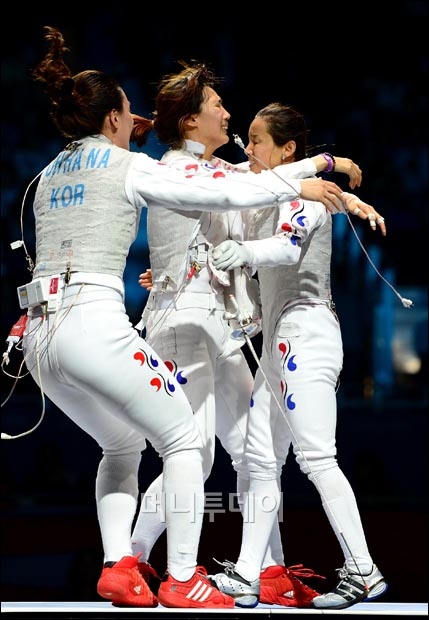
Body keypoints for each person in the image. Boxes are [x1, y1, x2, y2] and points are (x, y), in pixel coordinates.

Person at [20, 27, 347, 610]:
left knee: (247, 451)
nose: (229, 114)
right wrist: (317, 168)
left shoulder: (49, 175)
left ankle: (259, 568)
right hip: (169, 322)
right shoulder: (159, 167)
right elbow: (236, 190)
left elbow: (241, 188)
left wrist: (322, 179)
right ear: (116, 118)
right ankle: (164, 568)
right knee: (188, 447)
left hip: (59, 329)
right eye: (218, 105)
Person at [129, 62, 385, 608]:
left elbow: (277, 225)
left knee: (294, 457)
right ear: (192, 120)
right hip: (205, 325)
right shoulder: (187, 169)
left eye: (256, 139)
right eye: (220, 109)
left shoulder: (265, 186)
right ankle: (176, 562)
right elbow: (248, 188)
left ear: (284, 148)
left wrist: (337, 189)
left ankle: (339, 570)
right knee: (227, 456)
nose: (241, 136)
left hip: (289, 332)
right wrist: (330, 167)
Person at [208, 102, 388, 609]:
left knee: (316, 457)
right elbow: (224, 178)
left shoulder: (308, 197)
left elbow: (287, 248)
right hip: (279, 341)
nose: (248, 148)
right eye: (247, 138)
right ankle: (248, 573)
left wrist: (246, 252)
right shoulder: (271, 187)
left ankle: (364, 570)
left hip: (307, 335)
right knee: (261, 459)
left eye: (258, 140)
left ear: (287, 149)